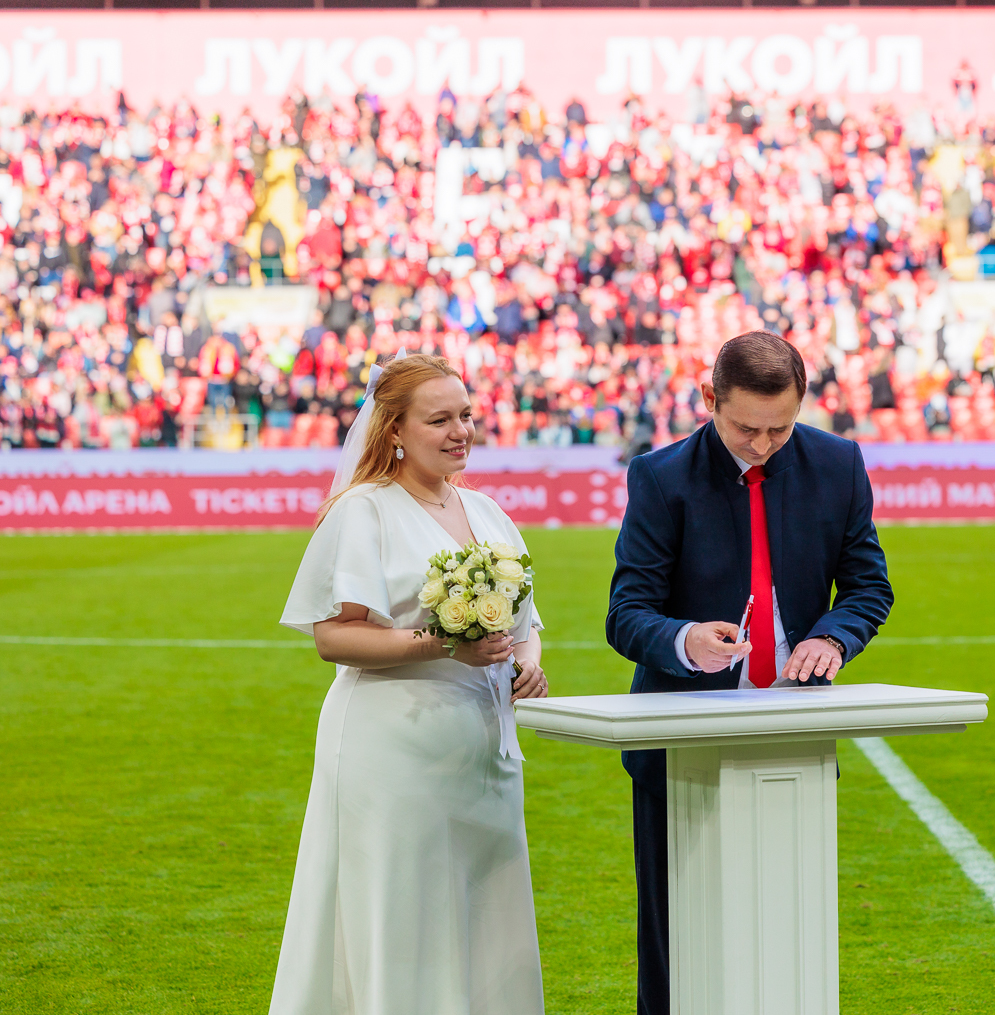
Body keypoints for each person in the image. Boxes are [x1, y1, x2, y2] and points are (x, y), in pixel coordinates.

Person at [606, 330, 894, 1015]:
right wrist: (683, 638)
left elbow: (868, 588)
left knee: (789, 930)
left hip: (791, 734)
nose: (763, 444)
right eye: (745, 427)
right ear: (710, 399)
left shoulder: (839, 463)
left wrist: (833, 636)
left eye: (780, 427)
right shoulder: (660, 476)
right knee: (677, 938)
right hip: (679, 742)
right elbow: (626, 612)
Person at [274, 353, 551, 1015]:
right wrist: (441, 644)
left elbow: (526, 618)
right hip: (392, 748)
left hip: (484, 753)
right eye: (441, 419)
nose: (462, 430)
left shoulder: (487, 511)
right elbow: (332, 636)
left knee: (486, 908)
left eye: (466, 414)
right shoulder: (363, 511)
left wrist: (527, 659)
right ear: (394, 428)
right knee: (401, 913)